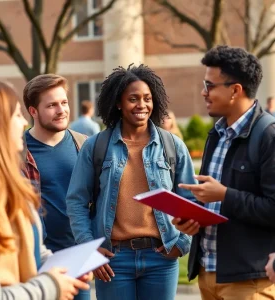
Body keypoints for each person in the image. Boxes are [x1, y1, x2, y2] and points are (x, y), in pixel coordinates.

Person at [66, 64, 196, 300]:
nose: (141, 105)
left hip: (162, 257)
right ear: (118, 103)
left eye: (147, 98)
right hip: (114, 259)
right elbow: (76, 202)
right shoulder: (96, 147)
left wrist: (182, 243)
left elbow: (191, 200)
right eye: (133, 99)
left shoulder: (172, 146)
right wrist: (90, 249)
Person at [173, 45, 275, 299]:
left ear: (235, 90)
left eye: (210, 86)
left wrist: (224, 195)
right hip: (208, 273)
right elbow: (215, 198)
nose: (203, 92)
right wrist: (191, 216)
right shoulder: (217, 133)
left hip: (250, 280)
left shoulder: (268, 135)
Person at [0, 78, 91, 300]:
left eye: (64, 103)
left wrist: (64, 269)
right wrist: (51, 285)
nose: (22, 123)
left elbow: (34, 251)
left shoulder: (12, 188)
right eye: (17, 115)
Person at [22, 74, 89, 300]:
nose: (61, 110)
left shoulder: (84, 144)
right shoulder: (16, 151)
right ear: (33, 112)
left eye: (64, 102)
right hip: (36, 262)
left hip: (78, 258)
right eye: (51, 105)